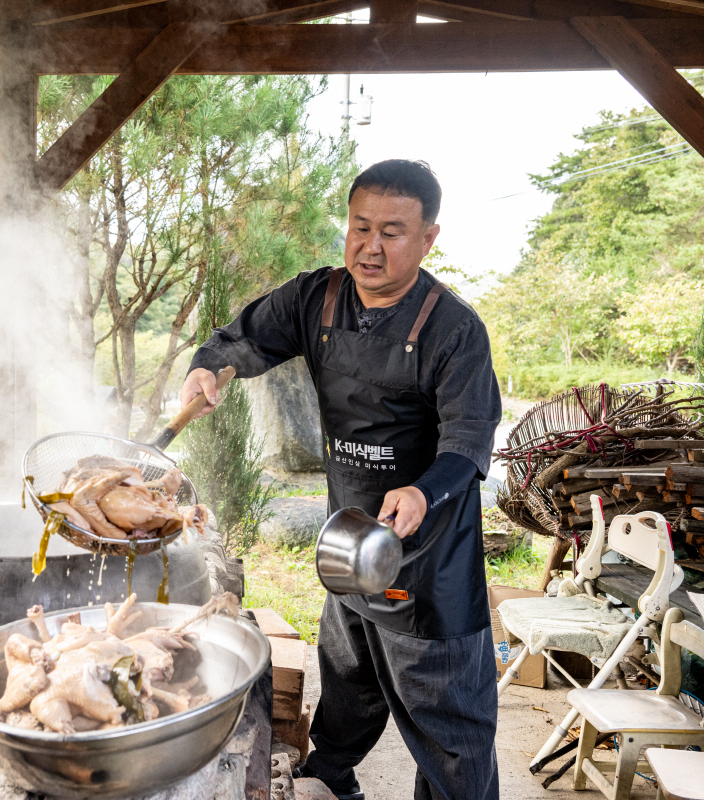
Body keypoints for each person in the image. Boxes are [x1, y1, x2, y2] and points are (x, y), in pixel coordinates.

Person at [179, 159, 501, 800]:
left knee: (447, 722)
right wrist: (210, 367)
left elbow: (468, 442)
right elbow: (243, 337)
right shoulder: (317, 297)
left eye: (392, 231)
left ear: (429, 237)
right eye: (359, 227)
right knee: (348, 676)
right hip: (349, 540)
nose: (370, 247)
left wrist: (421, 491)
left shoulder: (454, 330)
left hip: (427, 557)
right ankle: (331, 776)